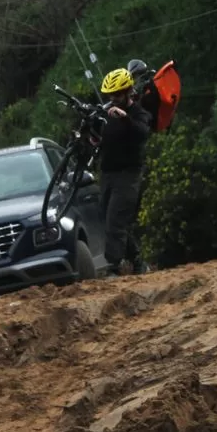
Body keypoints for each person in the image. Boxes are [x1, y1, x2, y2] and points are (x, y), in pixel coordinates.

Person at [98, 68, 152, 276]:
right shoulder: (108, 113)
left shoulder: (138, 113)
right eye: (111, 95)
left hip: (128, 175)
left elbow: (142, 132)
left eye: (118, 94)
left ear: (128, 91)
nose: (114, 99)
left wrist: (125, 118)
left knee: (115, 221)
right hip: (108, 174)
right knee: (111, 220)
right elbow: (106, 139)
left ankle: (114, 267)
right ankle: (138, 263)